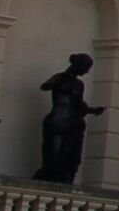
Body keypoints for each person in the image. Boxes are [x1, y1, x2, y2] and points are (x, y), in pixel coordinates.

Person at [33, 55, 101, 184]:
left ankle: (61, 184)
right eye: (86, 67)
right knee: (52, 158)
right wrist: (62, 82)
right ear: (78, 65)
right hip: (56, 122)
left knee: (68, 160)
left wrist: (92, 110)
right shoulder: (60, 77)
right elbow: (45, 86)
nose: (87, 71)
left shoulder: (79, 84)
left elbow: (78, 104)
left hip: (73, 125)